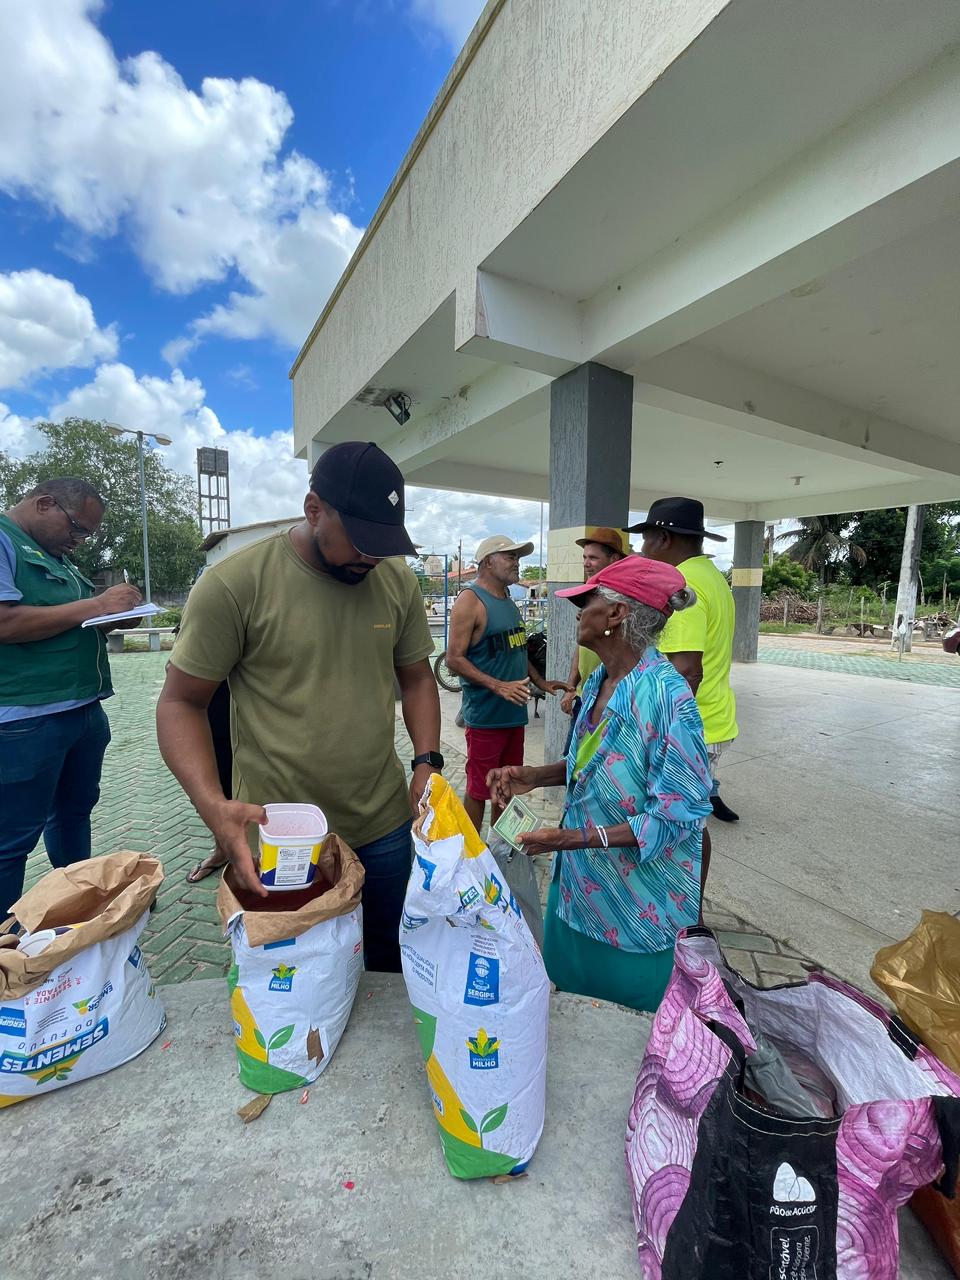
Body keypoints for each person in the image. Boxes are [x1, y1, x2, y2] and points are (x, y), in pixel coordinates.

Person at [155, 442, 442, 972]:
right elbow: (179, 703)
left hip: (381, 822)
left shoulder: (395, 579)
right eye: (360, 540)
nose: (372, 557)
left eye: (384, 543)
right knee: (293, 975)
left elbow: (418, 677)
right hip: (279, 833)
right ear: (314, 510)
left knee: (385, 962)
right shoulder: (235, 584)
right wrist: (213, 808)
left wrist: (427, 761)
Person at [488, 556, 711, 1012]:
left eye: (585, 602)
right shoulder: (597, 683)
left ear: (616, 615)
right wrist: (533, 776)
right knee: (572, 1010)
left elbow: (677, 815)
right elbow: (586, 763)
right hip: (580, 893)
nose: (576, 613)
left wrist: (571, 838)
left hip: (636, 907)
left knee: (628, 1032)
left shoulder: (668, 698)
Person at [0, 477, 143, 917]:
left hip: (82, 711)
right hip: (27, 720)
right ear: (45, 504)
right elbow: (4, 623)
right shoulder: (5, 541)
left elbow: (66, 621)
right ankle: (7, 944)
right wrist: (98, 605)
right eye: (78, 529)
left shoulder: (55, 558)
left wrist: (115, 618)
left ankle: (78, 904)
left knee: (73, 813)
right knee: (13, 839)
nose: (79, 541)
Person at [445, 535, 569, 834]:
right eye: (510, 557)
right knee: (479, 788)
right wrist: (498, 686)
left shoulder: (509, 601)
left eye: (518, 557)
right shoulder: (470, 600)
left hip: (514, 715)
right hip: (486, 717)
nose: (517, 563)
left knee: (507, 785)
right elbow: (453, 659)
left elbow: (517, 649)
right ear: (488, 561)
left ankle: (501, 849)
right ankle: (471, 853)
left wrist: (540, 682)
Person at [630, 498, 739, 824]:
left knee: (678, 830)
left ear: (664, 538)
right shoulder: (713, 576)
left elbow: (687, 671)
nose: (643, 546)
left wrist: (658, 734)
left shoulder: (681, 584)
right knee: (691, 825)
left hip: (689, 727)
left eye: (646, 537)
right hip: (714, 717)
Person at [560, 527, 630, 727]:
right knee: (575, 755)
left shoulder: (624, 597)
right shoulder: (591, 593)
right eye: (584, 557)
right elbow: (582, 646)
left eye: (593, 558)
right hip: (586, 693)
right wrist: (571, 686)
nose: (586, 563)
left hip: (612, 695)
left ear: (614, 558)